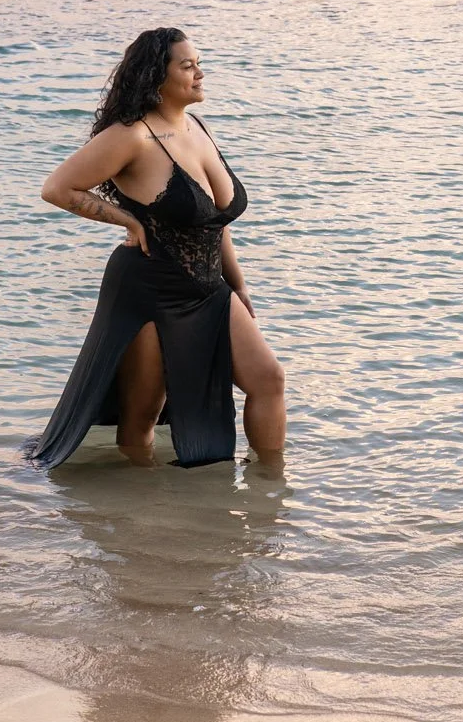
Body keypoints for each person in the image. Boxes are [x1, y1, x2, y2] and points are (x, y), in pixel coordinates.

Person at [24, 28, 284, 469]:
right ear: (155, 77)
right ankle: (142, 515)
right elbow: (57, 188)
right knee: (143, 413)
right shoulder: (132, 136)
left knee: (269, 380)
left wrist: (237, 284)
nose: (200, 73)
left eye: (199, 63)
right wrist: (124, 218)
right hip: (149, 287)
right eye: (187, 66)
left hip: (209, 288)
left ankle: (271, 492)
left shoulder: (196, 127)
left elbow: (213, 220)